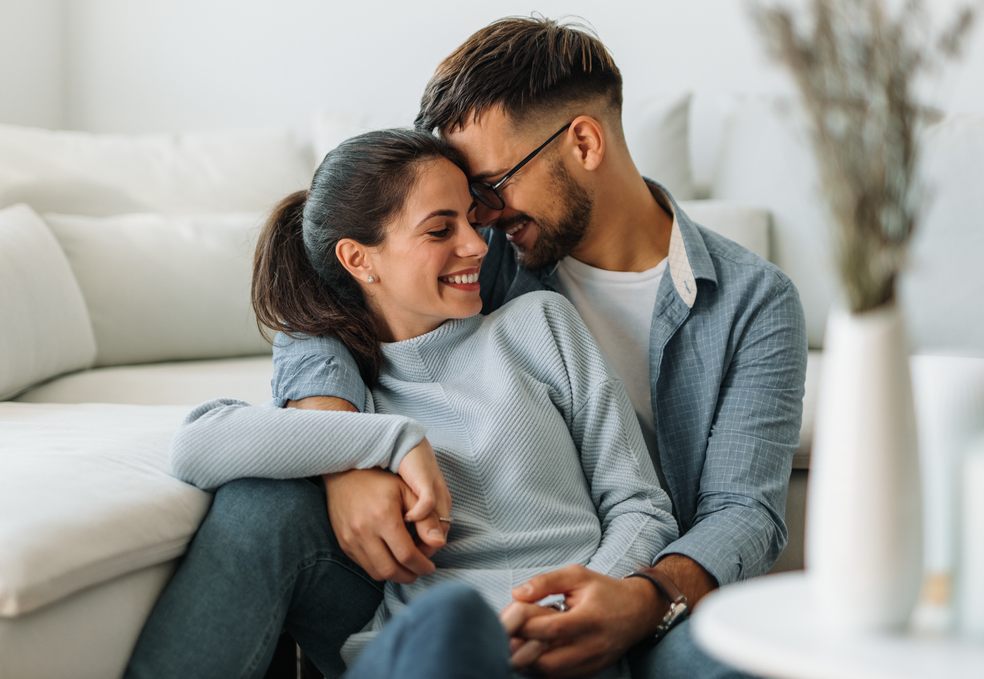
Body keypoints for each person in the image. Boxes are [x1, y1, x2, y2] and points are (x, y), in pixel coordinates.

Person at [126, 16, 807, 679]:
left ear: (584, 144)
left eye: (491, 185)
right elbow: (329, 297)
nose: (480, 222)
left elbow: (741, 512)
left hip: (632, 583)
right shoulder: (478, 259)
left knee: (739, 658)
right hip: (423, 593)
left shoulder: (751, 302)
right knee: (267, 510)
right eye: (461, 202)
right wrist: (345, 450)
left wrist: (637, 597)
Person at [128, 128, 678, 679]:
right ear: (359, 259)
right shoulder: (347, 393)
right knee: (442, 611)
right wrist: (392, 437)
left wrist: (578, 608)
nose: (476, 245)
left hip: (570, 649)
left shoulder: (541, 326)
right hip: (426, 656)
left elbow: (640, 506)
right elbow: (197, 445)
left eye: (470, 219)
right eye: (441, 229)